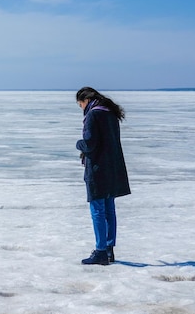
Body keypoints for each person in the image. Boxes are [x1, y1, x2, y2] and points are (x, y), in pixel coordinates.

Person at [76, 87, 131, 265]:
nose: (81, 108)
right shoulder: (110, 113)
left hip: (99, 169)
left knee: (98, 210)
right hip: (113, 167)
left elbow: (90, 143)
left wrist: (79, 145)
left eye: (80, 104)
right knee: (109, 209)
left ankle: (100, 251)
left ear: (85, 100)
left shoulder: (93, 114)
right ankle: (108, 250)